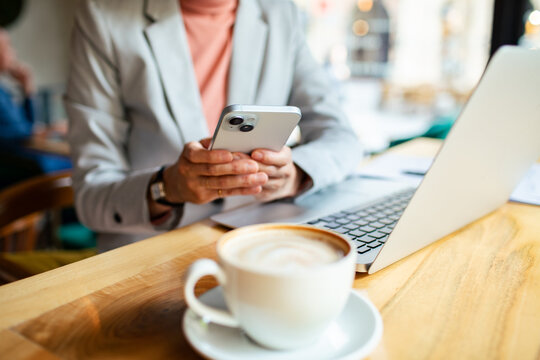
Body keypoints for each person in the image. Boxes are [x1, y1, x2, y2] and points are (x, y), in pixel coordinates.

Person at [65, 0, 363, 251]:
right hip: (148, 253)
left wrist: (294, 174)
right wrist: (167, 187)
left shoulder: (279, 12)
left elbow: (342, 138)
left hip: (256, 247)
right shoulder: (104, 18)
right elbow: (92, 196)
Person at [0, 28, 35, 141]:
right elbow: (20, 133)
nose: (14, 52)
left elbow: (25, 124)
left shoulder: (3, 92)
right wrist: (47, 131)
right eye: (8, 46)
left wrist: (27, 88)